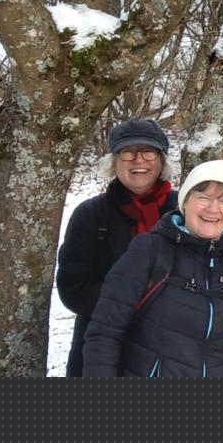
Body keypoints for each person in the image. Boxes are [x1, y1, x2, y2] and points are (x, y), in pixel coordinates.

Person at [79, 160, 223, 377]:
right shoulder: (149, 250)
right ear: (184, 202)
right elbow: (105, 333)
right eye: (203, 197)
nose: (213, 209)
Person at [56, 116, 177, 376]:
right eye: (128, 152)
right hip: (103, 347)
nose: (138, 160)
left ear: (162, 160)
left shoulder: (183, 210)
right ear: (114, 161)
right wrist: (132, 306)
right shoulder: (91, 214)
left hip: (172, 346)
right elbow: (73, 286)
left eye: (148, 151)